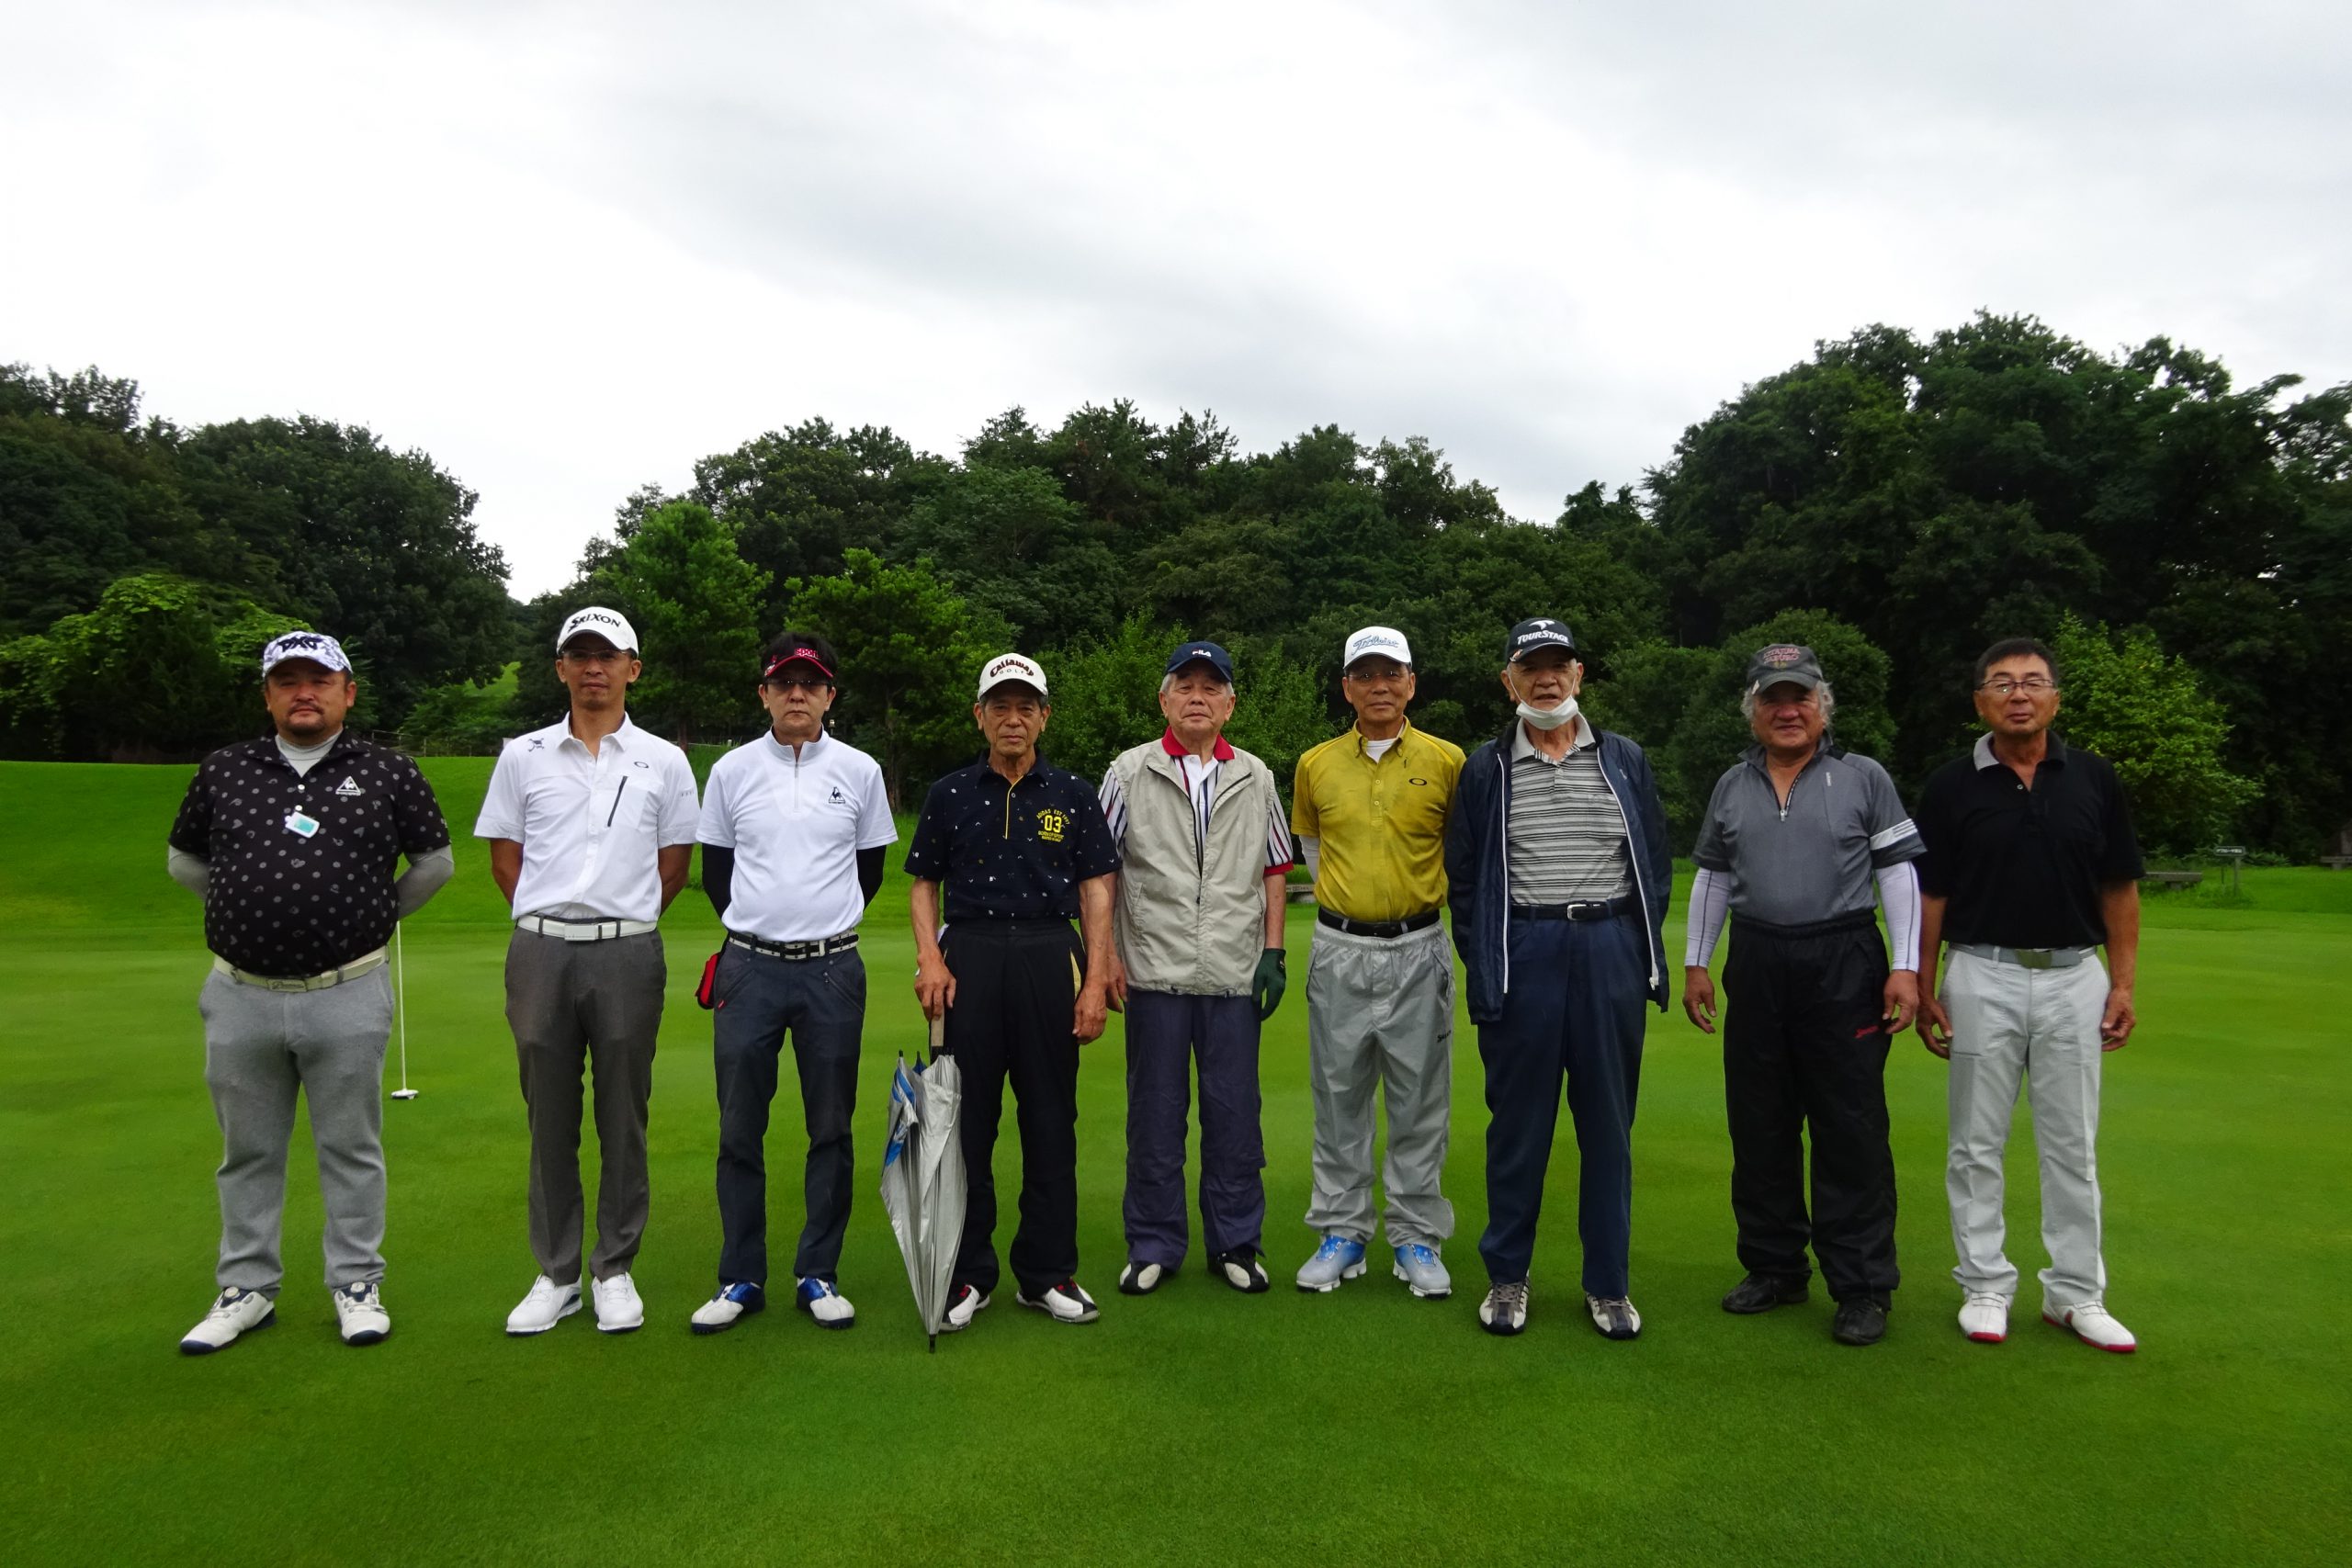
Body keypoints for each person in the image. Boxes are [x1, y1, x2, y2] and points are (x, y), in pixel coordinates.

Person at [167, 630, 455, 1353]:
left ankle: (356, 1283)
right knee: (248, 1150)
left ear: (347, 692)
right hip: (240, 992)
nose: (304, 692)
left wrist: (372, 915)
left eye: (319, 680)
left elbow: (434, 863)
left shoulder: (389, 770)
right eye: (287, 680)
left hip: (348, 989)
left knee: (350, 1147)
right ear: (267, 695)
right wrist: (242, 907)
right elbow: (184, 859)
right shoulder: (225, 769)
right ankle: (246, 1288)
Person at [1680, 644, 1923, 1348]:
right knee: (1759, 1120)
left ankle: (1863, 1284)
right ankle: (1775, 1266)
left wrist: (1905, 967)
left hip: (1843, 957)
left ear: (1823, 705)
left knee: (1850, 1125)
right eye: (1772, 698)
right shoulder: (1732, 785)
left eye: (1800, 697)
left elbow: (1897, 873)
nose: (1787, 710)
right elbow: (1714, 876)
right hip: (1758, 958)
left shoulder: (1863, 776)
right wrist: (1697, 962)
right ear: (1753, 709)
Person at [1915, 637, 2145, 1353]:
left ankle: (2076, 1293)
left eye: (2033, 681)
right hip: (1981, 972)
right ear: (1980, 701)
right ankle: (1985, 1285)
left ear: (2055, 697)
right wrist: (1923, 984)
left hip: (2076, 975)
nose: (2019, 694)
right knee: (1975, 1143)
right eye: (2003, 682)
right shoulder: (1950, 785)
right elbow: (1931, 894)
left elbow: (2119, 885)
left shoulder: (2094, 778)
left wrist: (2124, 983)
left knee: (2071, 1144)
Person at [475, 607, 700, 1337]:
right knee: (548, 1113)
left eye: (608, 656)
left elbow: (674, 866)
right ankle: (557, 1271)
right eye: (580, 655)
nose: (593, 668)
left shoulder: (664, 760)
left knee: (622, 1112)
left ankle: (614, 1267)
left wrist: (618, 920)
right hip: (540, 950)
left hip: (628, 949)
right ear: (561, 668)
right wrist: (551, 920)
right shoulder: (524, 754)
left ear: (633, 668)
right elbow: (505, 859)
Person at [1444, 617, 1670, 1340]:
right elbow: (1464, 881)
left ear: (1579, 675)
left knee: (1608, 1127)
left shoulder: (1624, 757)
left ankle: (1608, 1284)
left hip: (1608, 949)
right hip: (1525, 951)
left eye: (1557, 665)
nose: (1545, 678)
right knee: (1518, 1129)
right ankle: (1508, 1277)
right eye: (1529, 667)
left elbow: (1654, 865)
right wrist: (1490, 957)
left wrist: (1628, 948)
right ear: (1508, 681)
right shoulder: (1486, 768)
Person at [905, 653, 1121, 1330]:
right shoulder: (949, 793)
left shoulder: (1074, 793)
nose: (1013, 718)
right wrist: (929, 957)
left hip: (1048, 952)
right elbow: (923, 883)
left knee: (1051, 1120)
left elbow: (1097, 889)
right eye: (1000, 706)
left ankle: (1046, 1271)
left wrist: (1095, 980)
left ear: (1044, 717)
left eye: (1026, 706)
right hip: (968, 955)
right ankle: (967, 1274)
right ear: (980, 715)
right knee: (965, 1123)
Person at [689, 633, 896, 1335]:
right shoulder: (732, 770)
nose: (797, 694)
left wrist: (817, 925)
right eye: (784, 683)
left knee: (830, 1126)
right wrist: (760, 929)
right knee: (739, 1126)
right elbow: (717, 871)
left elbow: (869, 870)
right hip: (748, 967)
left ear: (830, 695)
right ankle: (741, 1274)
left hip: (833, 969)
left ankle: (819, 1271)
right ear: (765, 694)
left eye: (811, 683)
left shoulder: (861, 770)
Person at [1098, 640, 1295, 1297]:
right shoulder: (1129, 771)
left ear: (1230, 704)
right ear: (1164, 699)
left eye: (1212, 688)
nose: (1198, 698)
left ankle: (1236, 1241)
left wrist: (1273, 951)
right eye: (1185, 686)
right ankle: (1153, 1244)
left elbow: (1275, 866)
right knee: (1155, 1118)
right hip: (1153, 970)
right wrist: (1106, 956)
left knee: (1234, 1115)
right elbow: (1102, 870)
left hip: (1234, 972)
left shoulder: (1257, 775)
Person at [1289, 626, 1465, 1299]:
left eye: (1391, 673)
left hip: (1419, 946)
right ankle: (1343, 1231)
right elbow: (1313, 848)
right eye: (1365, 675)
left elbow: (1458, 848)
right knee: (1339, 1099)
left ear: (1412, 682)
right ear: (1347, 688)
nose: (1379, 686)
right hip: (1340, 949)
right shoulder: (1315, 764)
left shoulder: (1447, 760)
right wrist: (1353, 908)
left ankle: (1416, 1235)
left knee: (1420, 1102)